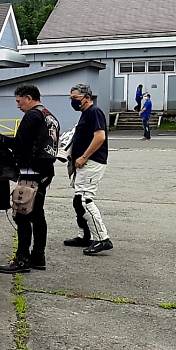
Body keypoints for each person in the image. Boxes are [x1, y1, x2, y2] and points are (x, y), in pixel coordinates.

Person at [0, 84, 60, 274]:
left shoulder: (32, 115)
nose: (18, 105)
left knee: (22, 212)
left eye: (19, 101)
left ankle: (22, 258)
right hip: (45, 169)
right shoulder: (50, 116)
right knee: (37, 213)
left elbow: (20, 143)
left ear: (29, 98)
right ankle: (38, 255)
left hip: (31, 171)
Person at [64, 84, 113, 255]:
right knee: (78, 200)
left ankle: (102, 238)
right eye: (71, 98)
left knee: (84, 200)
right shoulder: (85, 114)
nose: (72, 101)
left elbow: (100, 136)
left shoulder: (94, 112)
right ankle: (85, 234)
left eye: (75, 98)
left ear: (86, 97)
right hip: (83, 163)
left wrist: (84, 156)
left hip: (92, 162)